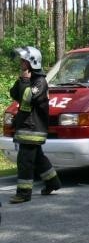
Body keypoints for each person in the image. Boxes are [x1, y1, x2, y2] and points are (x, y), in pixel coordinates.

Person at [9, 46, 61, 203]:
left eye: (23, 61)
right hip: (26, 126)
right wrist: (22, 79)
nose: (20, 63)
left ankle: (23, 193)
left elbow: (27, 98)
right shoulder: (29, 79)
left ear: (31, 62)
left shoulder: (40, 82)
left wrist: (24, 80)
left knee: (25, 161)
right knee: (38, 158)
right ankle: (53, 182)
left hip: (32, 129)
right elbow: (13, 94)